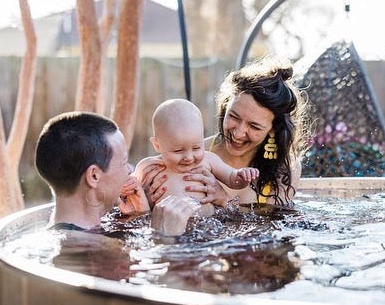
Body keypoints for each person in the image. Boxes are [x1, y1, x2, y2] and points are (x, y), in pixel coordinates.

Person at [141, 55, 310, 209]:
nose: (238, 133)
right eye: (234, 117)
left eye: (254, 126)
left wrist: (224, 199)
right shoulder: (197, 152)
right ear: (224, 109)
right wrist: (147, 201)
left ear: (273, 128)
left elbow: (272, 231)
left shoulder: (286, 170)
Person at [35, 111, 198, 235]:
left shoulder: (78, 233)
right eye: (123, 163)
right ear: (94, 176)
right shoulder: (84, 251)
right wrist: (163, 236)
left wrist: (140, 216)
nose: (129, 170)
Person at [134, 98, 260, 216]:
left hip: (206, 229)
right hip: (167, 228)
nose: (189, 157)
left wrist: (242, 176)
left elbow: (232, 179)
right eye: (178, 151)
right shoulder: (148, 167)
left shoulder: (208, 160)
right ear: (157, 145)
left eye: (196, 148)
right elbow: (129, 191)